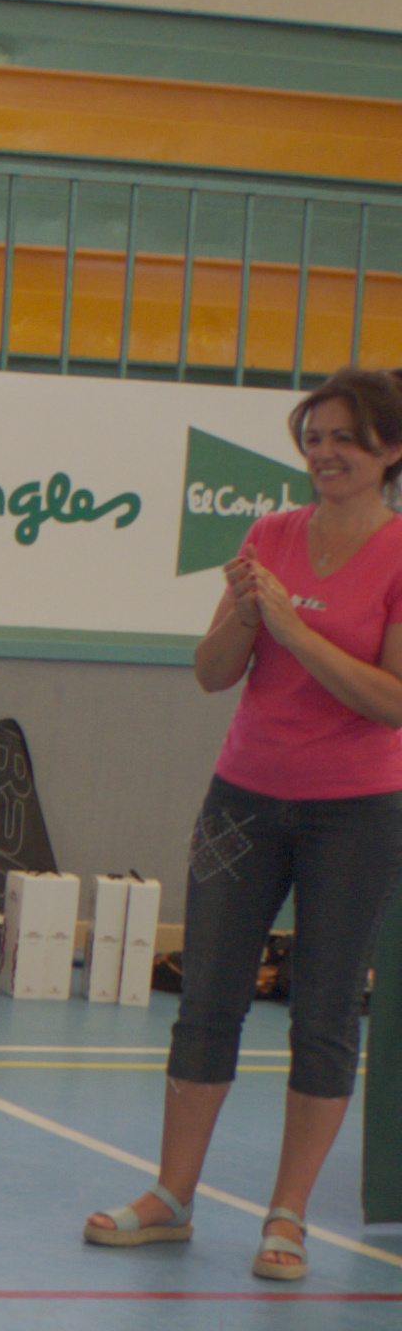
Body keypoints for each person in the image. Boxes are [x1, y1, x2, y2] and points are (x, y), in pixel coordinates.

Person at [84, 367, 402, 1283]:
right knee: (208, 1002)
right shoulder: (270, 536)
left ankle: (287, 1216)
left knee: (325, 1014)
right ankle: (171, 1197)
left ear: (390, 451)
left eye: (345, 439)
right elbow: (212, 672)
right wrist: (248, 617)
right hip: (242, 800)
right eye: (314, 437)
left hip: (357, 815)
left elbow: (390, 701)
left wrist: (295, 631)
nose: (325, 454)